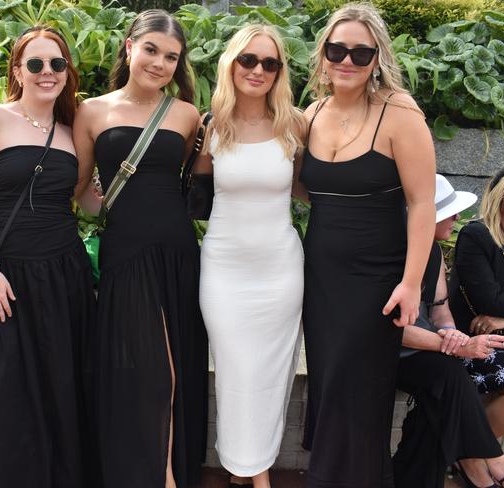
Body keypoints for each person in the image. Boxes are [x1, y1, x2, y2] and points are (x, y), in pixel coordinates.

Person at [298, 3, 436, 487]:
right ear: (323, 53)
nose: (348, 60)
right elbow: (301, 187)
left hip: (376, 277)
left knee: (357, 389)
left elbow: (422, 203)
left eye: (361, 52)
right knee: (330, 384)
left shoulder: (399, 112)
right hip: (321, 278)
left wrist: (411, 284)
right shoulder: (311, 113)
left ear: (377, 57)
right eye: (338, 49)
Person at [72, 9, 208, 488]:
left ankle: (168, 474)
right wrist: (112, 213)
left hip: (177, 252)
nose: (160, 63)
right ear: (129, 46)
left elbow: (196, 186)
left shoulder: (187, 115)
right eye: (151, 49)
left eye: (171, 56)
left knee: (177, 369)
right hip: (125, 255)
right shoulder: (91, 110)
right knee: (149, 372)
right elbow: (82, 192)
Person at [0, 26, 97, 488]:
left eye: (56, 63)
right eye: (35, 63)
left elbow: (86, 199)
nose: (47, 73)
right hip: (6, 276)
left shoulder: (72, 128)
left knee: (62, 384)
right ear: (18, 70)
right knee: (6, 392)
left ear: (66, 71)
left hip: (64, 274)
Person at [195, 24, 305, 488]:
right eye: (248, 60)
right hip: (223, 268)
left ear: (279, 71)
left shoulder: (295, 123)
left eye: (269, 62)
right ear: (231, 64)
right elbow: (196, 193)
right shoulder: (210, 124)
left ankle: (249, 469)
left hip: (280, 269)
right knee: (236, 372)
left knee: (271, 376)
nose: (258, 70)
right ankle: (251, 472)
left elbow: (310, 191)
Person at [393, 174, 504, 488]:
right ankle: (493, 461)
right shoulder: (392, 255)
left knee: (443, 385)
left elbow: (439, 310)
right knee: (447, 374)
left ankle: (462, 466)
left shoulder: (433, 252)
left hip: (431, 348)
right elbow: (392, 331)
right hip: (390, 351)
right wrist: (453, 344)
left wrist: (452, 334)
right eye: (449, 212)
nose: (457, 217)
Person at [449, 163, 504, 485]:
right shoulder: (477, 236)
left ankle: (466, 449)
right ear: (500, 199)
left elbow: (500, 306)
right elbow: (486, 301)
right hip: (472, 341)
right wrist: (502, 313)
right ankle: (473, 454)